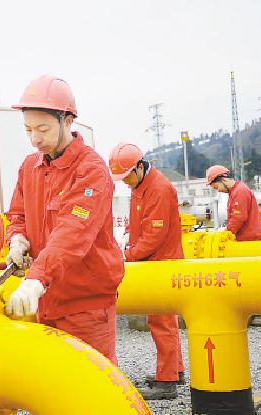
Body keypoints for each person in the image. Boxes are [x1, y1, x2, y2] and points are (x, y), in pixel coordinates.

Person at [3, 75, 125, 364]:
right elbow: (17, 214)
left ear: (68, 121)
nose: (35, 138)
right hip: (45, 301)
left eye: (43, 129)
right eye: (28, 129)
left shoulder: (90, 171)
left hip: (86, 306)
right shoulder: (29, 167)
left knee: (94, 390)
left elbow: (73, 232)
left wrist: (35, 280)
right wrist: (16, 238)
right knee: (53, 388)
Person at [108, 142, 185, 400]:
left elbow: (154, 236)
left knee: (162, 322)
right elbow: (142, 227)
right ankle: (174, 371)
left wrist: (126, 256)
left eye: (127, 175)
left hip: (162, 263)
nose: (125, 182)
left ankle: (167, 383)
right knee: (164, 320)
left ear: (139, 167)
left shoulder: (159, 188)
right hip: (153, 261)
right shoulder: (142, 185)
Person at [206, 165, 261, 327]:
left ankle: (259, 314)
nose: (217, 190)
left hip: (250, 241)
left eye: (216, 186)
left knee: (252, 278)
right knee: (248, 277)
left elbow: (238, 218)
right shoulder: (235, 192)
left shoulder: (240, 192)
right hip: (246, 240)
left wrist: (227, 233)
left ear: (223, 180)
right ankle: (251, 311)